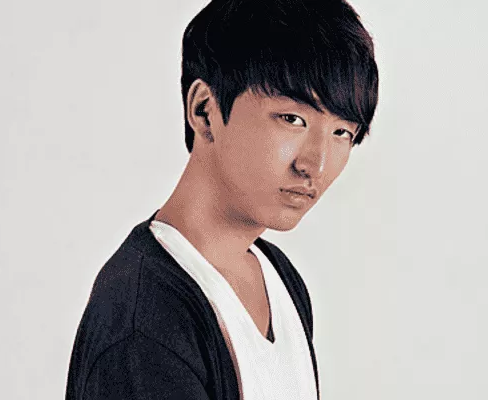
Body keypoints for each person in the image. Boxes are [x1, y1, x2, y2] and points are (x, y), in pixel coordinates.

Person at [65, 0, 379, 398]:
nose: (315, 165)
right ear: (205, 110)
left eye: (342, 133)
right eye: (292, 119)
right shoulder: (143, 320)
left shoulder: (278, 278)